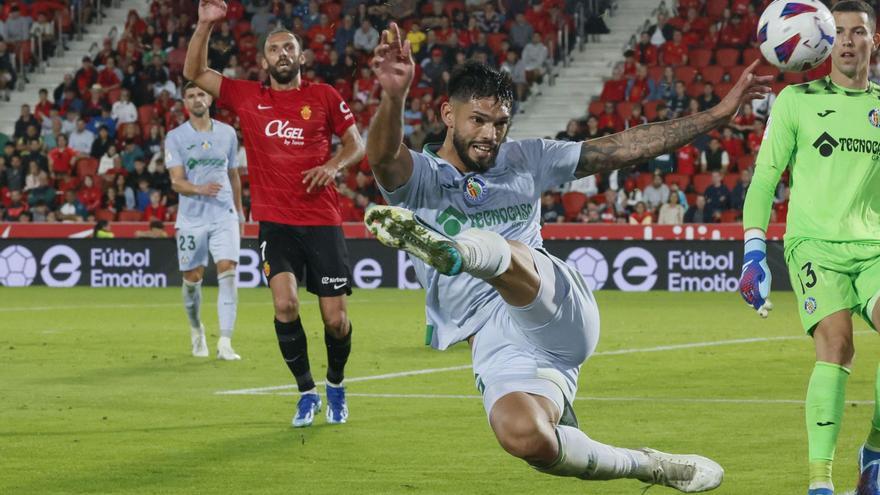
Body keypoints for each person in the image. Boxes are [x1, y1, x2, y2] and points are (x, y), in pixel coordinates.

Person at [365, 22, 769, 491]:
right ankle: (650, 466)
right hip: (493, 340)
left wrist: (717, 114)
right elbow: (383, 159)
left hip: (552, 304)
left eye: (500, 124)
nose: (490, 135)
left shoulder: (528, 158)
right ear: (447, 115)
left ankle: (460, 252)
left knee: (509, 255)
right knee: (527, 437)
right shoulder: (422, 177)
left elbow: (624, 148)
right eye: (478, 120)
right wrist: (392, 97)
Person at [185, 0, 366, 428]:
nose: (282, 54)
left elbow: (356, 143)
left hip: (322, 222)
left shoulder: (324, 95)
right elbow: (195, 72)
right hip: (276, 222)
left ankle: (336, 384)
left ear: (301, 57)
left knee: (336, 320)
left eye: (289, 48)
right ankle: (306, 392)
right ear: (264, 60)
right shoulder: (248, 97)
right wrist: (205, 25)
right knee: (285, 305)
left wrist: (333, 165)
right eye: (274, 49)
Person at [738, 2, 880, 494]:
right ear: (824, 40)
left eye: (857, 31)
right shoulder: (795, 101)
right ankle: (821, 482)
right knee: (838, 345)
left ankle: (876, 453)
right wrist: (753, 252)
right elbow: (763, 181)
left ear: (872, 42)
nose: (846, 39)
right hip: (814, 245)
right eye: (838, 31)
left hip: (875, 248)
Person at [165, 81, 244, 362]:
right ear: (184, 102)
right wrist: (199, 189)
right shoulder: (175, 137)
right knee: (192, 279)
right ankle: (197, 329)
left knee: (228, 271)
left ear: (209, 98)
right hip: (191, 219)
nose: (197, 99)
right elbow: (176, 181)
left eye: (201, 94)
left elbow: (233, 174)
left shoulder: (227, 134)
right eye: (191, 95)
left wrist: (239, 210)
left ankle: (225, 341)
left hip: (224, 215)